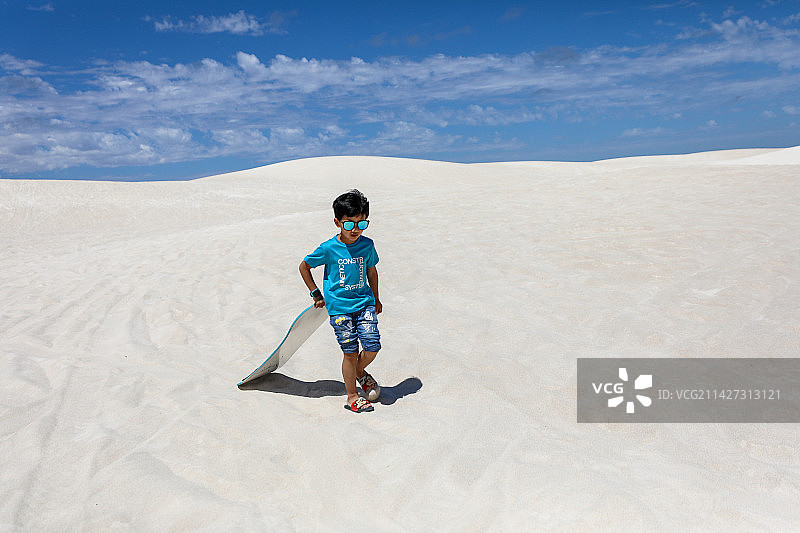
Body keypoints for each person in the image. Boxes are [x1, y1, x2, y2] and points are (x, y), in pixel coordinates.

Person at [299, 189, 383, 413]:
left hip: (365, 303)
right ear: (337, 222)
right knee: (350, 352)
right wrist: (316, 293)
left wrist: (376, 298)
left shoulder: (367, 245)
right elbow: (304, 266)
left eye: (361, 223)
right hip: (339, 309)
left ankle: (358, 372)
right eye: (349, 224)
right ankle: (352, 395)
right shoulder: (328, 248)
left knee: (373, 347)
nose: (355, 229)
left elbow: (372, 273)